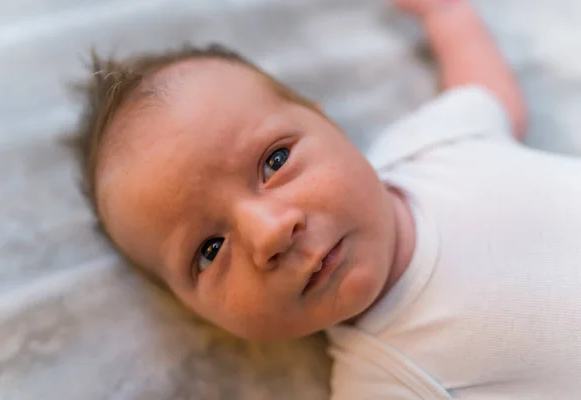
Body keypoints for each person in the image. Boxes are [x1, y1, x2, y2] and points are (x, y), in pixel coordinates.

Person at [75, 0, 581, 397]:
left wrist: (448, 16)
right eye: (209, 250)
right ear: (195, 313)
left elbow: (489, 99)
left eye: (274, 162)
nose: (270, 231)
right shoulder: (386, 382)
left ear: (329, 123)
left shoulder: (429, 144)